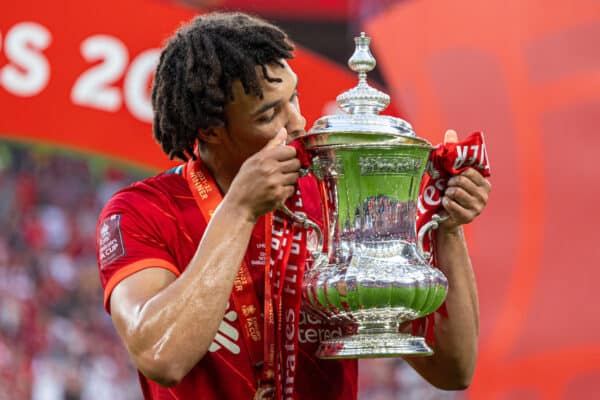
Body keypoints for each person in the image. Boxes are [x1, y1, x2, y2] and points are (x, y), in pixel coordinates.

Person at [95, 12, 491, 399]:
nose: (299, 123)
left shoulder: (335, 198)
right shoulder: (141, 212)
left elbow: (453, 370)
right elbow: (160, 357)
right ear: (212, 131)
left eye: (294, 97)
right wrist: (240, 209)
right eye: (269, 114)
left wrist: (447, 227)